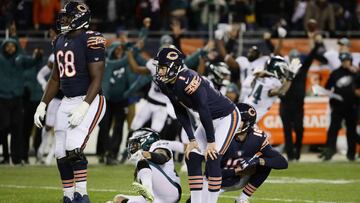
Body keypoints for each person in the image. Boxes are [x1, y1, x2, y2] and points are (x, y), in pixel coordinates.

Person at [33, 2, 106, 202]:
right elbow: (55, 78)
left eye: (68, 16)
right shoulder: (59, 41)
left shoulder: (91, 39)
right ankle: (67, 196)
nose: (63, 19)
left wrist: (84, 106)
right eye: (63, 16)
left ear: (80, 18)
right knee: (60, 151)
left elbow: (97, 78)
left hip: (90, 98)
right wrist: (43, 104)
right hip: (67, 100)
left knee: (74, 146)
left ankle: (81, 194)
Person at [155, 47, 242, 203]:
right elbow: (179, 109)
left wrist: (210, 142)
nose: (159, 71)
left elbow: (204, 109)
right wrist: (191, 139)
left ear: (174, 66)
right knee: (193, 156)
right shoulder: (165, 83)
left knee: (212, 156)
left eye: (162, 67)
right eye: (159, 67)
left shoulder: (189, 78)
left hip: (226, 117)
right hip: (208, 119)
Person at [218, 103, 288, 203]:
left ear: (247, 123)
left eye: (238, 120)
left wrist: (257, 160)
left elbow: (282, 162)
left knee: (266, 162)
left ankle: (243, 198)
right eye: (233, 118)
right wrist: (236, 170)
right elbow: (209, 172)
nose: (233, 122)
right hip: (218, 179)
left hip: (240, 178)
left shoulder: (257, 138)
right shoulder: (222, 134)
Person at [107, 128, 181, 203]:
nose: (133, 147)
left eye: (136, 144)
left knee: (141, 161)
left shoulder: (158, 145)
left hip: (170, 191)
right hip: (158, 197)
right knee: (119, 199)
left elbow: (162, 158)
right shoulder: (143, 166)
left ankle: (147, 190)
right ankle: (149, 194)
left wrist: (145, 154)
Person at [0, 38, 42, 165]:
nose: (10, 48)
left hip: (17, 99)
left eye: (12, 46)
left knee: (16, 129)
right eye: (8, 46)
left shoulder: (20, 59)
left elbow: (33, 61)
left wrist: (38, 56)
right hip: (2, 98)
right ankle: (6, 156)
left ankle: (16, 158)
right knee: (4, 128)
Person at [320, 52, 360, 161]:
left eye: (347, 60)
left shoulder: (355, 73)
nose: (345, 63)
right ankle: (329, 153)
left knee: (351, 131)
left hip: (352, 106)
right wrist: (331, 94)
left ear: (350, 61)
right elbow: (328, 87)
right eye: (343, 61)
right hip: (338, 106)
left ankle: (351, 155)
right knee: (333, 130)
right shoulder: (335, 73)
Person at [241, 56, 301, 123]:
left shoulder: (260, 76)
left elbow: (255, 76)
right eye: (284, 69)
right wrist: (290, 76)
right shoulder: (274, 82)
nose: (284, 72)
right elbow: (281, 91)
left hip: (244, 110)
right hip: (250, 118)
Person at [36, 54, 63, 165]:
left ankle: (51, 156)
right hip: (55, 98)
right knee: (48, 126)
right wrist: (44, 85)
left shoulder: (76, 57)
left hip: (68, 100)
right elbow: (40, 75)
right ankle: (41, 150)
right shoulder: (54, 57)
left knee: (60, 129)